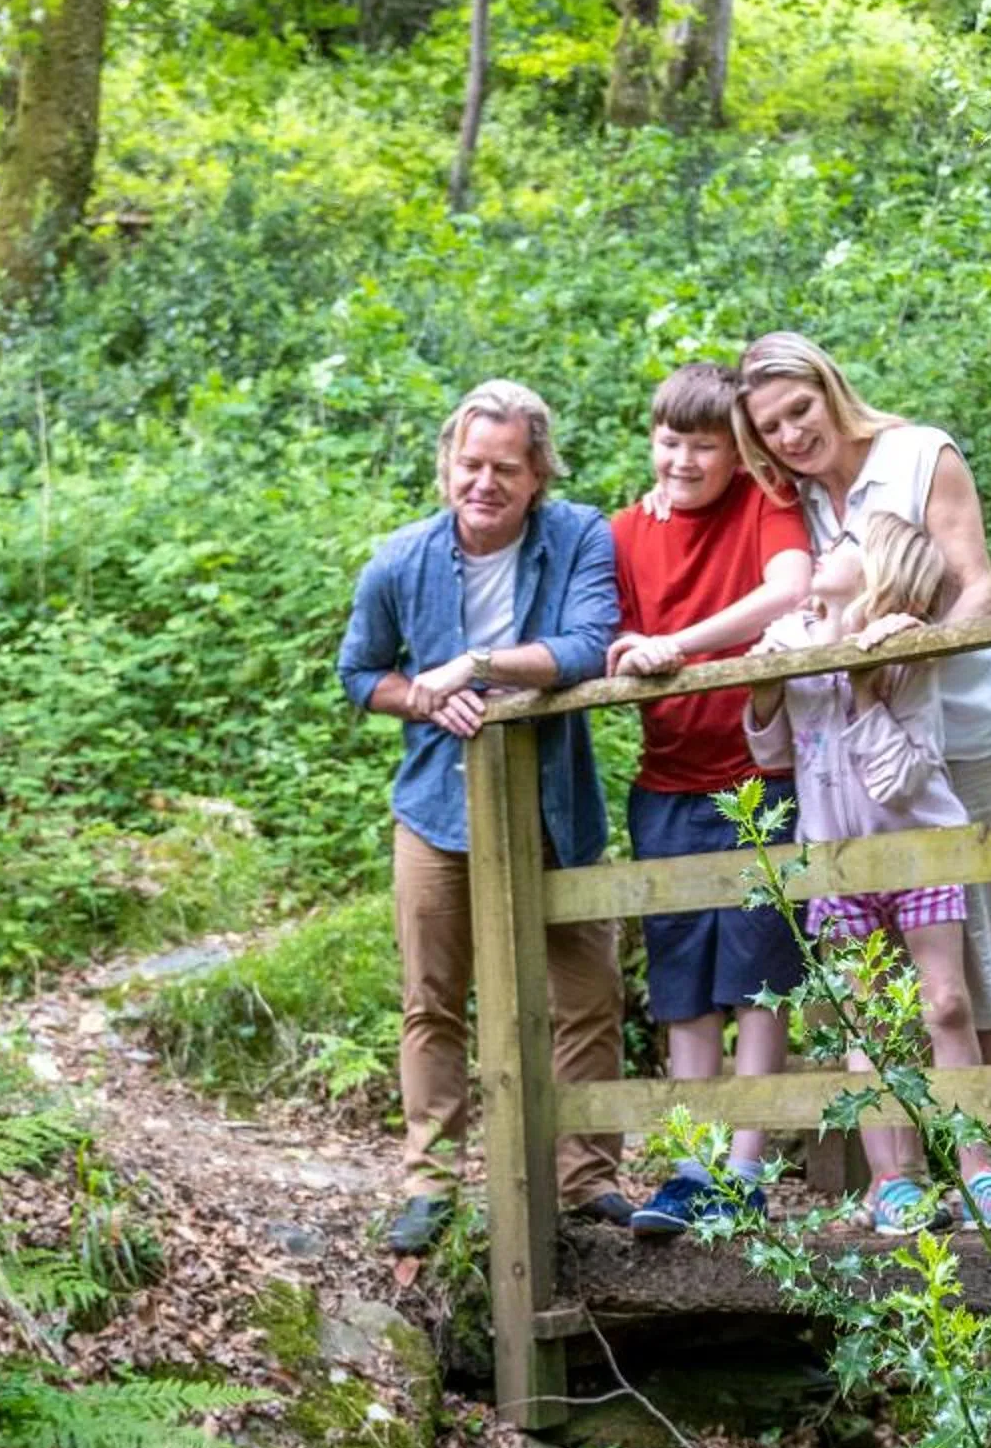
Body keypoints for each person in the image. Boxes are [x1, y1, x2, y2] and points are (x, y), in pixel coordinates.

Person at [337, 378, 630, 1256]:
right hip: (436, 805)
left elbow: (587, 646)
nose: (484, 483)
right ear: (446, 466)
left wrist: (474, 665)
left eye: (506, 468)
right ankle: (430, 1183)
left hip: (556, 803)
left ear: (537, 475)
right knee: (432, 998)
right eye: (470, 464)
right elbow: (361, 673)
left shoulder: (578, 535)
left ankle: (587, 1178)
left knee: (589, 993)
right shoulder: (400, 559)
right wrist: (425, 699)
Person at [734, 332, 991, 1071]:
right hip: (858, 754)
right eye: (771, 427)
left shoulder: (920, 455)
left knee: (976, 945)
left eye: (800, 409)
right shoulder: (796, 501)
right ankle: (904, 1140)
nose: (791, 434)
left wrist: (909, 656)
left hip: (964, 725)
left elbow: (979, 589)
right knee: (879, 968)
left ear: (830, 390)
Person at [744, 514, 991, 1236]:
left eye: (844, 545)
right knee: (870, 1019)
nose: (824, 550)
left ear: (879, 572)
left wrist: (867, 688)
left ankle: (979, 1171)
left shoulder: (907, 652)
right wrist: (766, 688)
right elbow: (774, 756)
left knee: (947, 1005)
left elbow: (902, 776)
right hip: (836, 861)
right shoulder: (790, 640)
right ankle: (892, 1182)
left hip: (919, 848)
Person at [606, 360, 813, 1240]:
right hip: (667, 782)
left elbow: (790, 589)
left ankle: (745, 1172)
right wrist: (633, 646)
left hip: (761, 775)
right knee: (682, 986)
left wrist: (677, 645)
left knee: (759, 981)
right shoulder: (625, 530)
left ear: (737, 452)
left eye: (703, 446)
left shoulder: (765, 503)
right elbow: (604, 630)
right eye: (669, 443)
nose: (683, 462)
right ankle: (693, 1169)